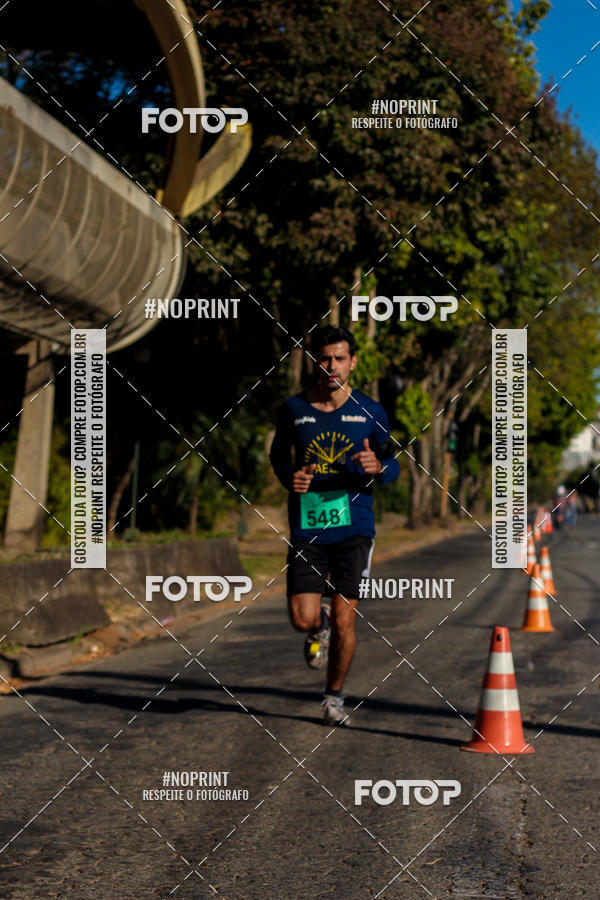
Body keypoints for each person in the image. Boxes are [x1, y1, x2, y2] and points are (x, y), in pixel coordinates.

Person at [269, 325, 400, 726]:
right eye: (324, 358)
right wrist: (291, 477)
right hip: (310, 524)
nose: (331, 366)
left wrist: (378, 467)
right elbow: (278, 458)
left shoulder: (371, 412)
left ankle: (333, 698)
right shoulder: (294, 409)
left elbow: (393, 466)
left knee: (347, 619)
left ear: (352, 362)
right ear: (314, 361)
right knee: (302, 619)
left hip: (356, 525)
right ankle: (317, 626)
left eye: (339, 358)